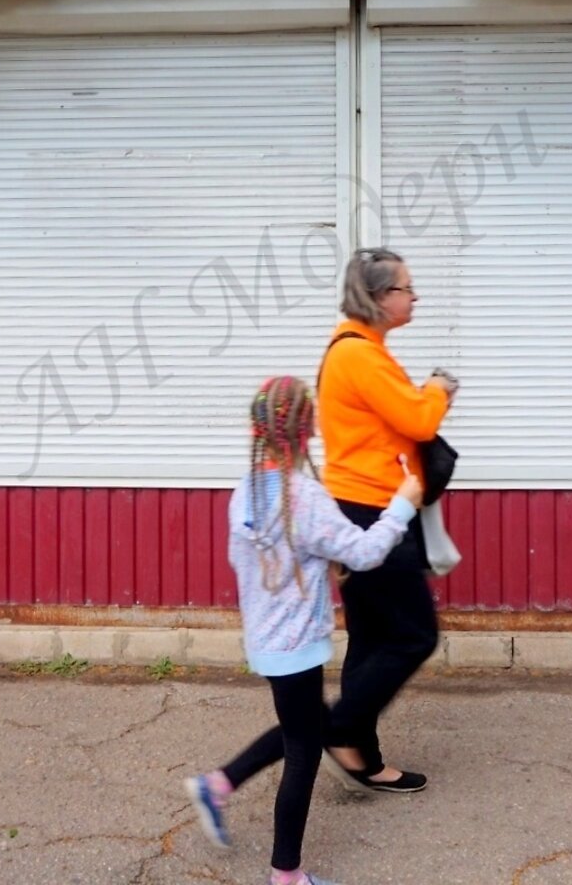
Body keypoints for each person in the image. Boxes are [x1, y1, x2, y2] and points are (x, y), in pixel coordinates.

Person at [184, 375, 423, 885]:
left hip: (265, 640)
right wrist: (403, 502)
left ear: (260, 428)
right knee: (304, 750)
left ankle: (218, 784)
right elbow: (363, 552)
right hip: (296, 645)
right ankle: (286, 875)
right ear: (307, 428)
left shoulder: (244, 491)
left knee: (306, 724)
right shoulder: (306, 495)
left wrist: (312, 565)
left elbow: (246, 557)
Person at [318, 247, 458, 795]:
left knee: (374, 636)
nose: (414, 296)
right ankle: (341, 730)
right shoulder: (359, 354)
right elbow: (418, 420)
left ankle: (361, 758)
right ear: (379, 298)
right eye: (406, 288)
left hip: (361, 507)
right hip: (371, 510)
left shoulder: (364, 349)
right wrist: (440, 389)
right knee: (413, 635)